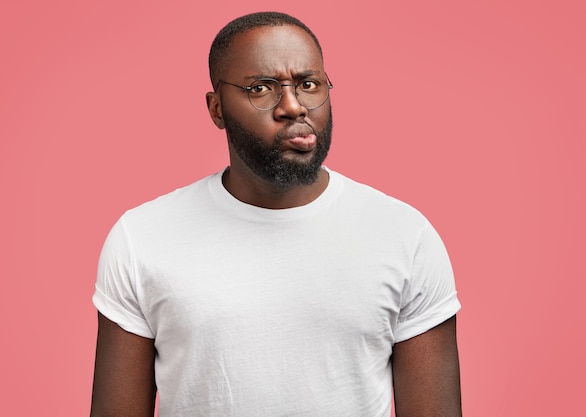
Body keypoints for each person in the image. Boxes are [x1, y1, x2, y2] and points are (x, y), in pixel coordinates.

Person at [90, 11, 462, 417]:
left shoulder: (404, 237)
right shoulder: (143, 238)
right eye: (261, 88)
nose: (292, 106)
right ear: (217, 109)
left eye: (307, 84)